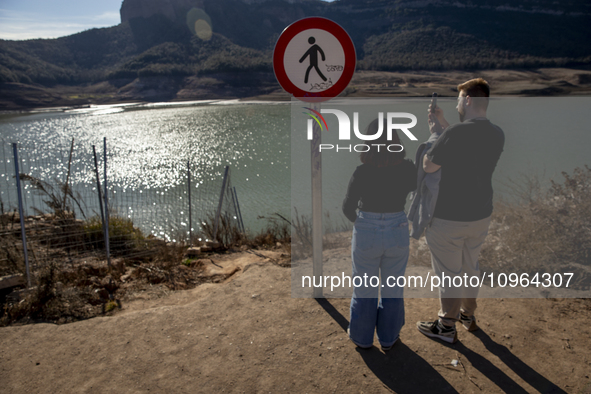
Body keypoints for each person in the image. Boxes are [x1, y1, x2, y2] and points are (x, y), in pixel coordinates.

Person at [416, 78, 505, 343]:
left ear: (467, 100)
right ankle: (468, 315)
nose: (456, 105)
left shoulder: (454, 135)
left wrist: (435, 134)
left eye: (458, 99)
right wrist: (443, 127)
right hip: (480, 215)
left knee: (449, 272)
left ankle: (445, 326)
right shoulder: (497, 133)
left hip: (449, 217)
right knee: (470, 266)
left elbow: (428, 166)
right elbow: (465, 142)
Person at [342, 118, 416, 351]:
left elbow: (347, 208)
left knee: (364, 287)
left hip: (367, 230)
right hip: (398, 228)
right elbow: (421, 192)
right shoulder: (408, 168)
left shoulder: (361, 172)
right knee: (393, 287)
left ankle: (363, 339)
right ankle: (389, 338)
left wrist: (364, 225)